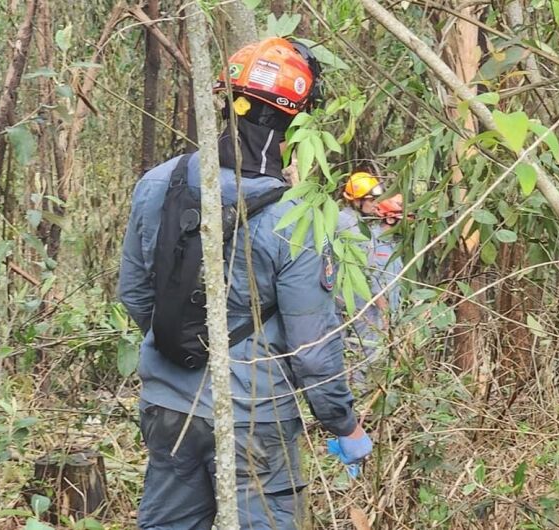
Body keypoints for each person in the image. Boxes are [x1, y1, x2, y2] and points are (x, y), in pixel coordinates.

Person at [118, 37, 372, 530]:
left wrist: (184, 342)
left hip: (169, 405)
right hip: (255, 417)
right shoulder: (297, 218)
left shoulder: (157, 182)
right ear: (295, 123)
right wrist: (344, 424)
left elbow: (135, 293)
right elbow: (312, 350)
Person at [336, 171, 407, 388]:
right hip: (360, 300)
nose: (374, 204)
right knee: (365, 352)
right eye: (369, 199)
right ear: (356, 200)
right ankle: (357, 395)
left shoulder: (352, 221)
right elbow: (369, 271)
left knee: (351, 351)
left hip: (352, 299)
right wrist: (383, 306)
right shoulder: (351, 225)